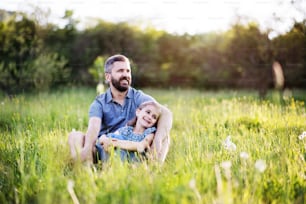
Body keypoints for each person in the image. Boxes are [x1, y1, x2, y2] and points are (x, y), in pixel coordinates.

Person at [68, 54, 172, 164]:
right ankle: (86, 168)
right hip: (106, 149)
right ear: (108, 77)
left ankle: (153, 169)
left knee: (165, 136)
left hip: (133, 148)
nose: (125, 75)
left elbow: (166, 113)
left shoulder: (138, 97)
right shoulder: (99, 102)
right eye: (120, 71)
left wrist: (157, 141)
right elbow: (94, 126)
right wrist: (88, 148)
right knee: (75, 136)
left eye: (128, 71)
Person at [96, 100, 161, 162]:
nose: (150, 117)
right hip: (117, 153)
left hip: (132, 159)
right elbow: (111, 137)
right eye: (148, 112)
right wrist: (104, 139)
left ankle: (111, 164)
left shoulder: (149, 133)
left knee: (117, 144)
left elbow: (141, 146)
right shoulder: (126, 130)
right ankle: (106, 163)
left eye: (154, 117)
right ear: (138, 112)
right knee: (109, 138)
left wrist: (116, 143)